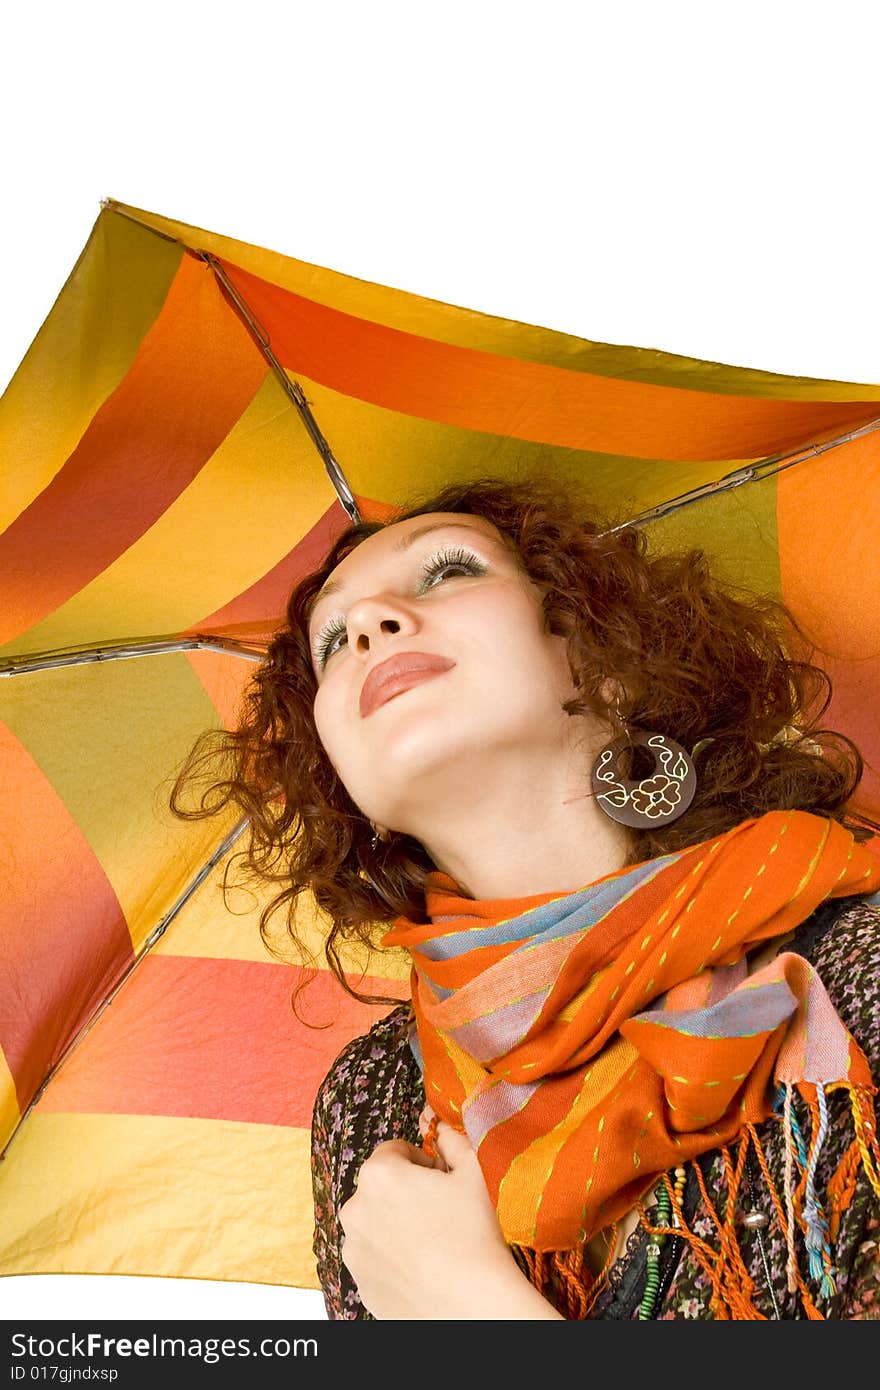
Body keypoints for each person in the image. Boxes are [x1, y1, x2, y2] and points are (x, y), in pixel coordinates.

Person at [170, 473, 880, 1320]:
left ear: (609, 659)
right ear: (340, 781)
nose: (366, 624)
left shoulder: (858, 967)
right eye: (331, 641)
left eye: (448, 572)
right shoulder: (373, 1101)